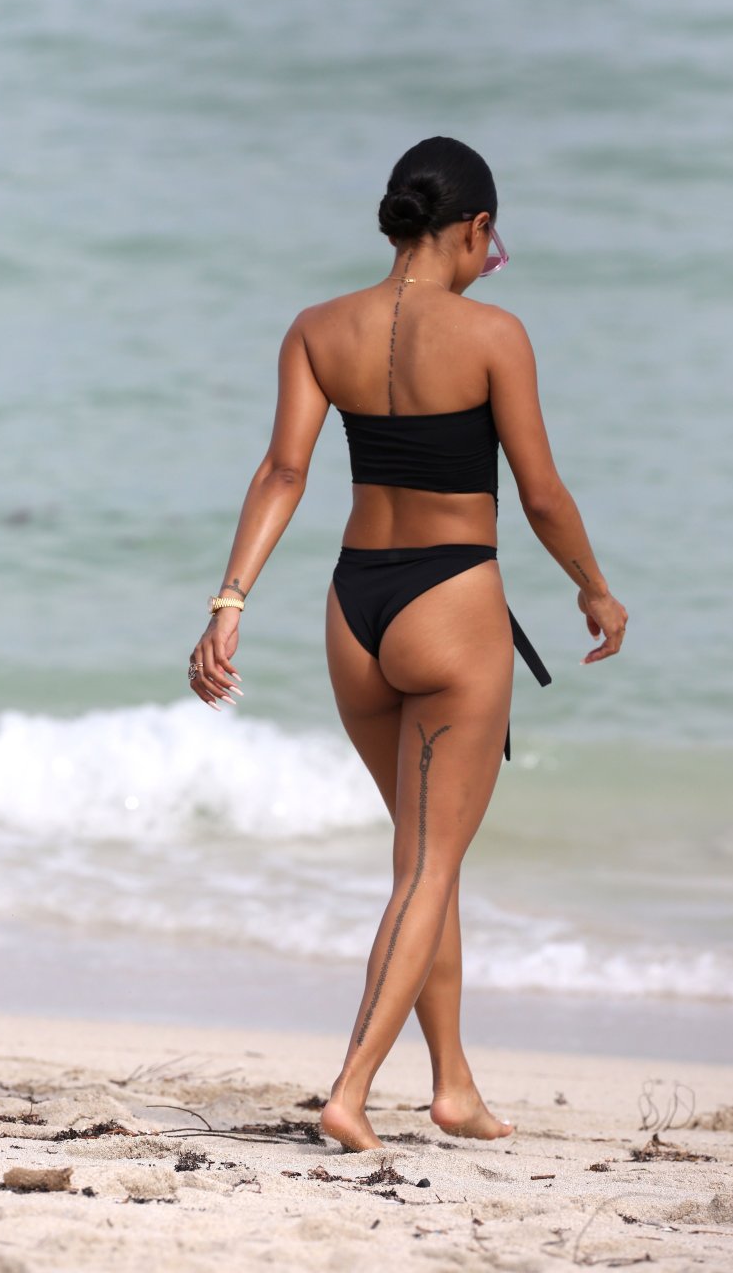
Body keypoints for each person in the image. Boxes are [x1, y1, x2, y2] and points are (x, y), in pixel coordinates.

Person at [188, 135, 628, 1152]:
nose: (489, 262)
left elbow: (282, 472)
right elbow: (540, 493)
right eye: (491, 245)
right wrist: (594, 588)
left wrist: (228, 601)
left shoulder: (316, 328)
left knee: (426, 858)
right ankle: (349, 1089)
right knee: (427, 865)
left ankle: (454, 1085)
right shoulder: (494, 335)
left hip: (356, 610)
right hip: (449, 604)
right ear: (474, 228)